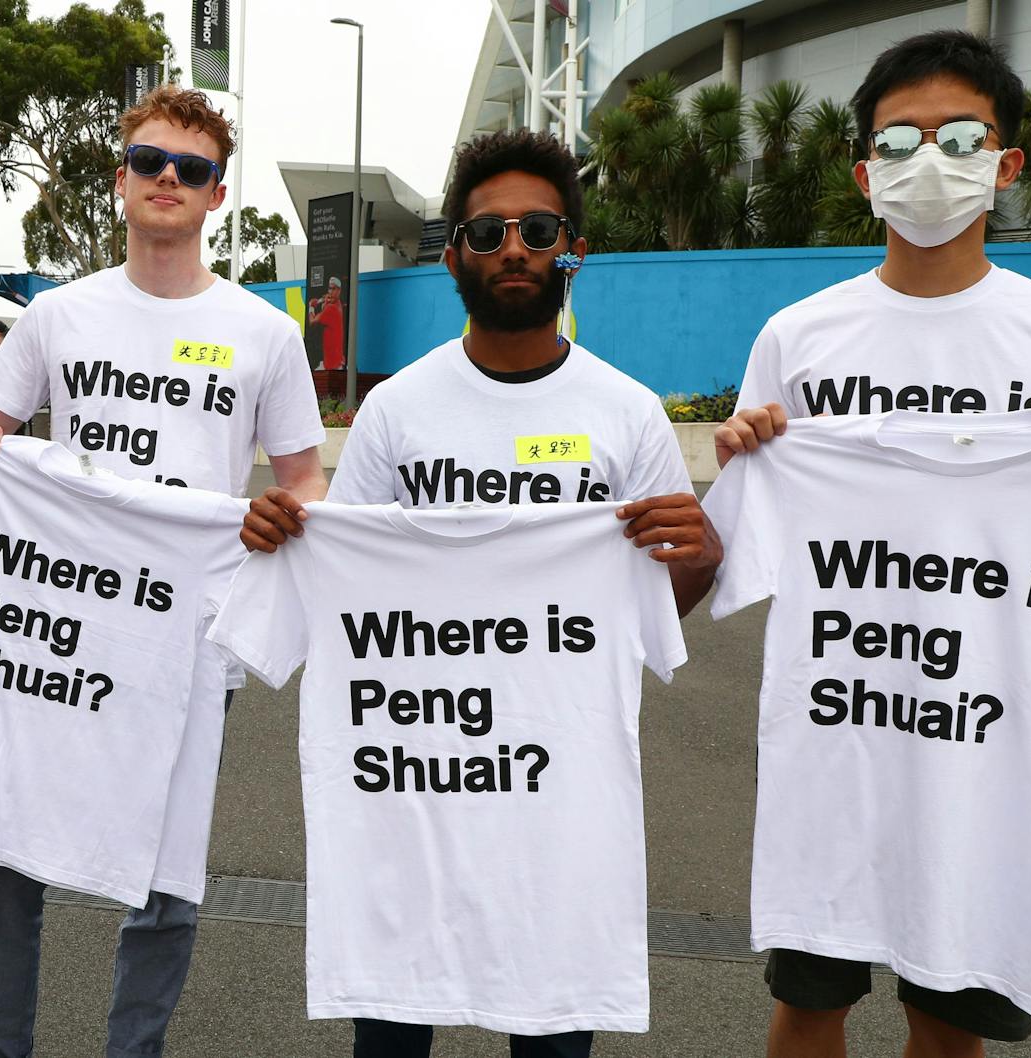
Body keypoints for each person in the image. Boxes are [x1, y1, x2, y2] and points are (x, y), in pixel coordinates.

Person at [713, 30, 1031, 1058]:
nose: (928, 161)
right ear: (860, 167)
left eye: (959, 137)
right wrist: (741, 456)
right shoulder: (798, 335)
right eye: (898, 139)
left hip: (991, 749)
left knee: (945, 1022)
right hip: (841, 743)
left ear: (1006, 164)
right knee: (807, 1002)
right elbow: (732, 548)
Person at [244, 129, 721, 1058]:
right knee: (393, 1027)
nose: (515, 248)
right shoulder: (397, 411)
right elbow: (356, 591)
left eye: (539, 230)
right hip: (412, 790)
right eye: (490, 230)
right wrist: (285, 540)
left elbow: (659, 608)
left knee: (550, 1035)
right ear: (454, 252)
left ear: (572, 250)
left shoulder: (626, 414)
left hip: (560, 800)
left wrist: (696, 553)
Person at [0, 84, 327, 1058]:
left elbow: (302, 478)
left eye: (188, 169)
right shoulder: (56, 317)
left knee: (164, 873)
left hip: (188, 628)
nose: (167, 179)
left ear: (215, 195)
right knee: (5, 849)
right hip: (53, 617)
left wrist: (289, 521)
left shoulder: (263, 334)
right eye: (150, 162)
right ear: (119, 180)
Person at [307, 277, 346, 371]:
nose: (330, 292)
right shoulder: (337, 303)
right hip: (332, 363)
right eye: (329, 288)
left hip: (332, 366)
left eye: (334, 289)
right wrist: (323, 303)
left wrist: (311, 307)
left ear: (339, 290)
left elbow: (312, 321)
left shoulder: (331, 309)